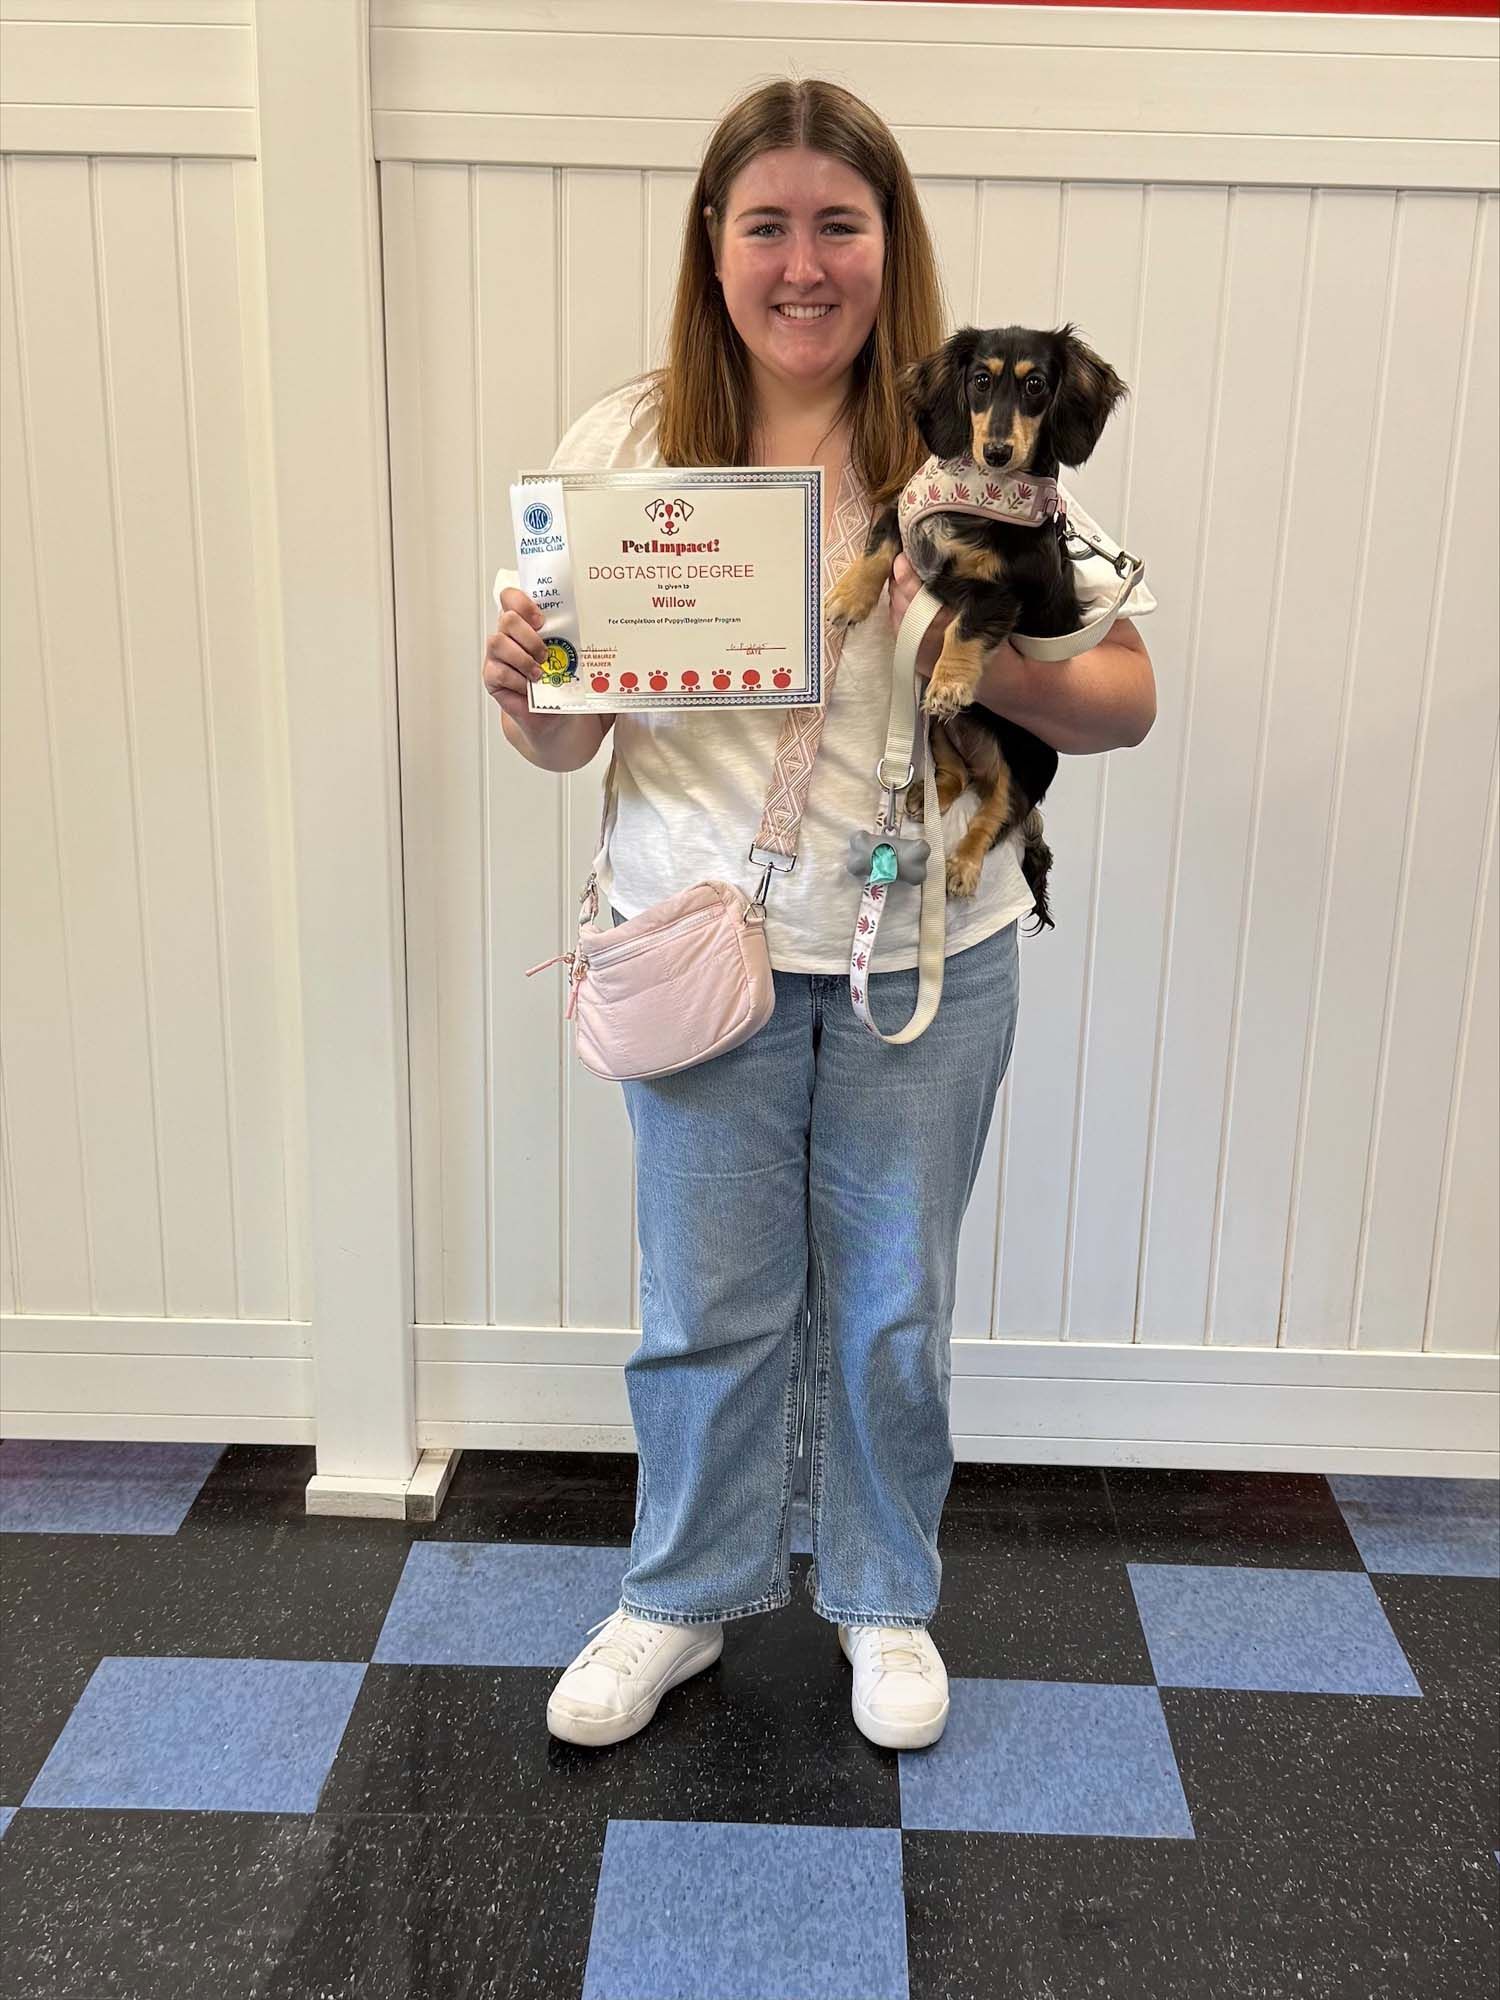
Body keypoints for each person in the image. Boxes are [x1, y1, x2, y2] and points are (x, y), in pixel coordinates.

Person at [482, 79, 1158, 1754]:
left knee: (891, 1306)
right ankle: (677, 1597)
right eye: (765, 224)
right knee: (701, 1304)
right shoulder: (629, 447)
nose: (802, 264)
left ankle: (883, 1596)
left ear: (887, 244)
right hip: (699, 942)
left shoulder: (971, 447)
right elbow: (567, 729)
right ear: (712, 247)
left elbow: (1125, 694)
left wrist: (969, 637)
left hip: (928, 954)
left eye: (836, 226)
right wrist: (526, 685)